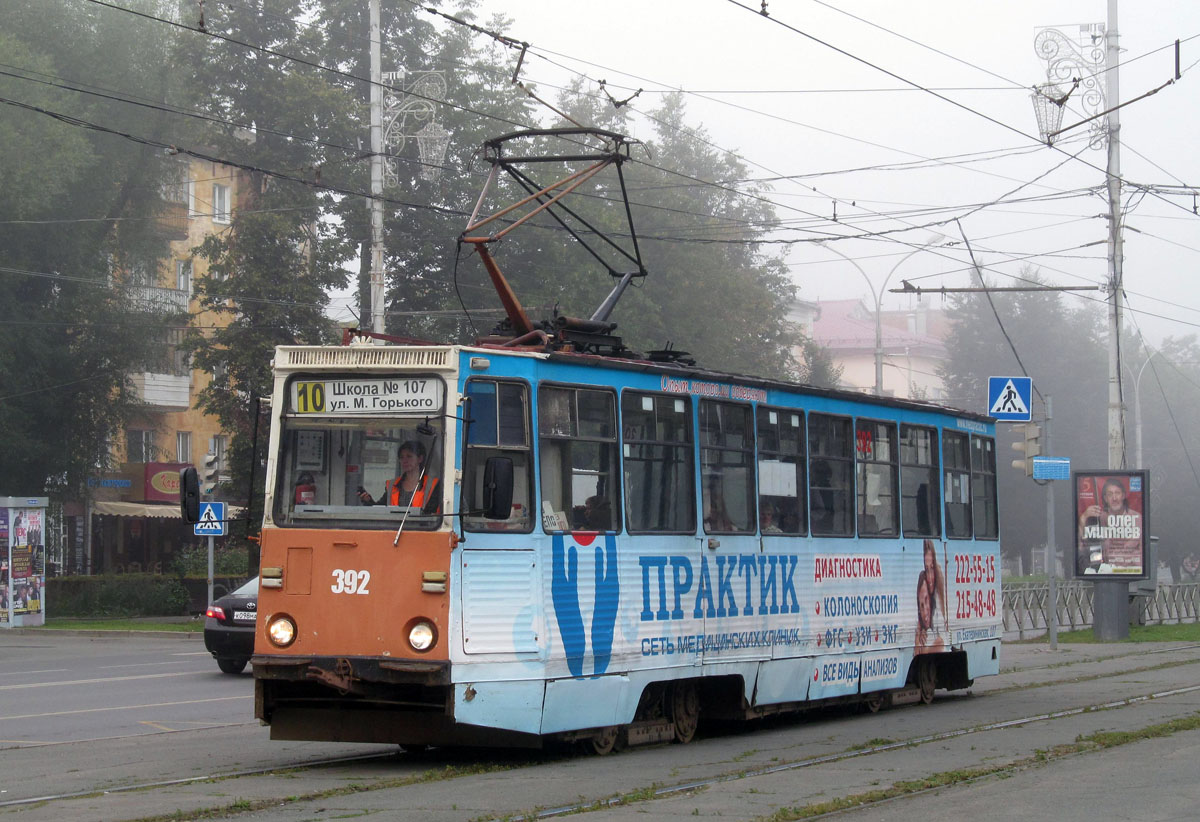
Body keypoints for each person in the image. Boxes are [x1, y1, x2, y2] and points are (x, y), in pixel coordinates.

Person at [1078, 478, 1142, 572]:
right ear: (1105, 498)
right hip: (1105, 572)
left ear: (1123, 495)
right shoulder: (1100, 518)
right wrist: (1083, 517)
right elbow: (1081, 545)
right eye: (1110, 494)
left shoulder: (1136, 518)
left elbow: (1131, 550)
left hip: (1129, 571)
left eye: (1117, 493)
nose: (1114, 498)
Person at [358, 441, 439, 511]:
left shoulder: (432, 484)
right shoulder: (392, 485)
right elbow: (381, 510)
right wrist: (368, 501)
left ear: (420, 459)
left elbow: (433, 513)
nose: (405, 460)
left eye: (409, 456)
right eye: (401, 457)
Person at [921, 539, 949, 635]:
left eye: (932, 568)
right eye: (927, 569)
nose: (929, 577)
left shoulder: (939, 614)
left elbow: (942, 639)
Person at [914, 570, 945, 655]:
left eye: (926, 599)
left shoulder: (938, 618)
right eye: (921, 606)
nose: (925, 612)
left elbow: (942, 643)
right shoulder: (919, 631)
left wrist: (925, 651)